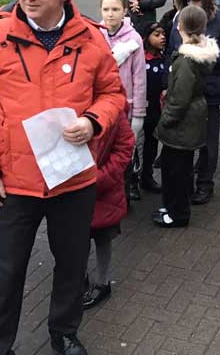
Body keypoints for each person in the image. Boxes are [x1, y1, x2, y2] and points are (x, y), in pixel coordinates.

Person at [0, 0, 125, 355]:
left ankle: (64, 333)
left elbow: (113, 95)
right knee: (7, 269)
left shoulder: (90, 39)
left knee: (71, 264)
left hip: (73, 179)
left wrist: (93, 122)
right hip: (13, 183)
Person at [167, 0, 220, 205]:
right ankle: (186, 181)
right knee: (185, 140)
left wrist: (205, 55)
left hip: (210, 92)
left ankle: (205, 184)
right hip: (185, 91)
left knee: (209, 142)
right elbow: (172, 50)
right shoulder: (180, 18)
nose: (191, 4)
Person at [153, 5, 219, 228]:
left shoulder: (184, 61)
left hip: (182, 123)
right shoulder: (199, 54)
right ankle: (172, 206)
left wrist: (166, 121)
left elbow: (179, 99)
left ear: (180, 26)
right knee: (178, 168)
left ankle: (178, 213)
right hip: (192, 118)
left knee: (177, 172)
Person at [83, 111, 134, 310]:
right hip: (78, 189)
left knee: (103, 238)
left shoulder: (112, 110)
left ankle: (102, 283)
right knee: (79, 237)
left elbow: (124, 147)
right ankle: (81, 277)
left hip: (105, 189)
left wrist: (99, 178)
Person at [98, 0, 147, 200]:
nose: (110, 14)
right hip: (100, 106)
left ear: (125, 11)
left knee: (126, 151)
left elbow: (139, 77)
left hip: (124, 106)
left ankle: (128, 187)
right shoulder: (95, 35)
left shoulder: (134, 39)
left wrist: (138, 113)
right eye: (106, 9)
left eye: (115, 9)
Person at [139, 22, 168, 193]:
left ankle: (147, 177)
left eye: (163, 34)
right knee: (138, 146)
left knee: (151, 144)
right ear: (147, 38)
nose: (162, 37)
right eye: (157, 35)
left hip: (156, 111)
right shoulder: (141, 59)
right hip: (142, 109)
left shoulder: (164, 59)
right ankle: (133, 180)